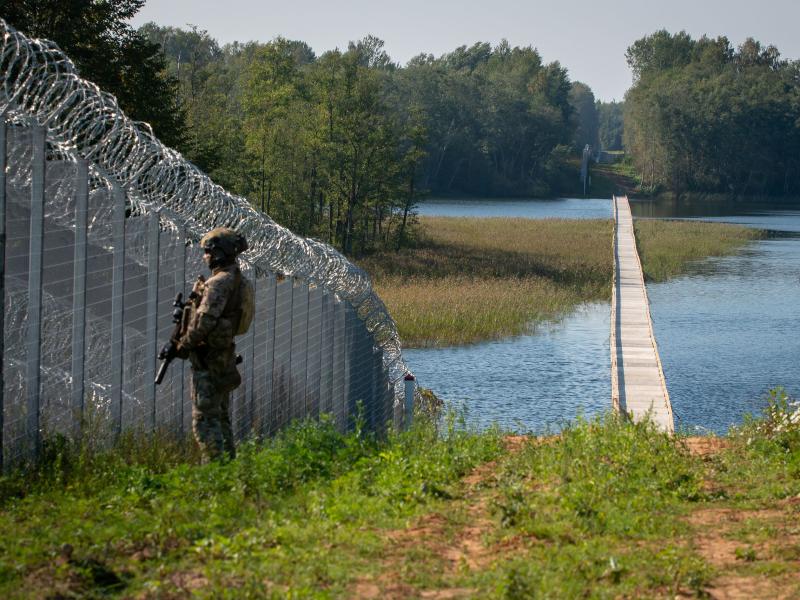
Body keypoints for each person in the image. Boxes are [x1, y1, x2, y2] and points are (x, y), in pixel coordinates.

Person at [177, 227, 254, 462]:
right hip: (222, 358)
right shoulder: (238, 280)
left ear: (219, 253)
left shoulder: (219, 283)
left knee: (205, 421)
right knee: (220, 418)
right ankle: (227, 471)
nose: (205, 256)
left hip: (209, 360)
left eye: (208, 252)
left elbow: (205, 319)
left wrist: (184, 344)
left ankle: (215, 471)